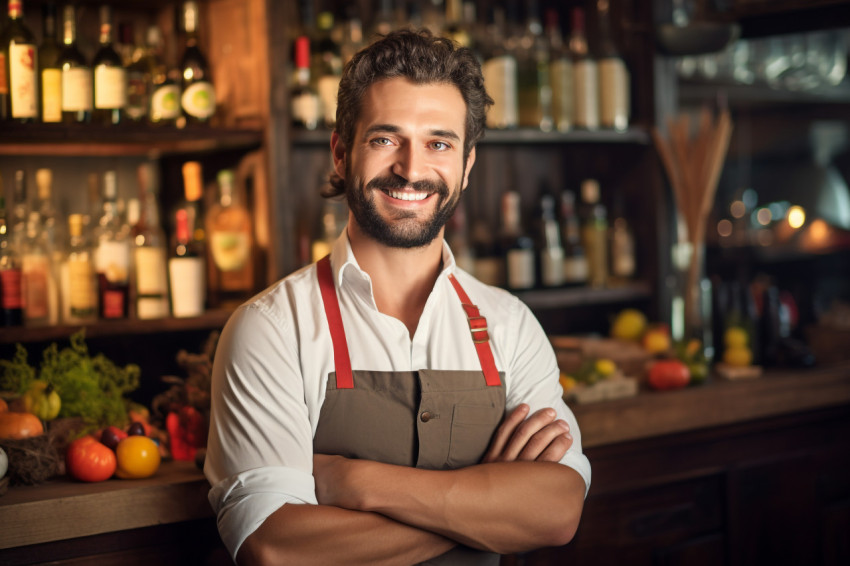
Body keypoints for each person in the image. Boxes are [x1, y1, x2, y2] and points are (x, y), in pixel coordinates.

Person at [204, 29, 591, 565]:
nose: (412, 169)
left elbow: (557, 512)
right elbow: (275, 548)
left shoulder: (509, 325)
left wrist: (357, 482)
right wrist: (490, 505)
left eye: (439, 143)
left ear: (467, 164)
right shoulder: (270, 329)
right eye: (386, 139)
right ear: (342, 153)